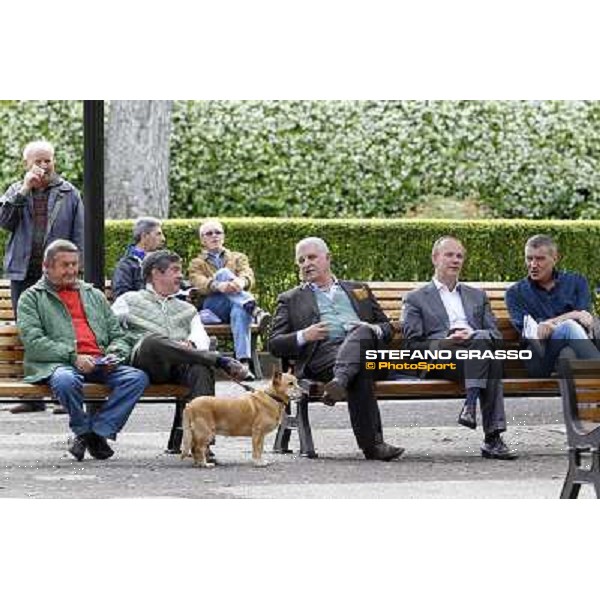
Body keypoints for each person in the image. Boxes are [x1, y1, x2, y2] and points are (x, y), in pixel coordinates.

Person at [268, 237, 404, 461]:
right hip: (323, 356)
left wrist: (371, 329)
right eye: (301, 260)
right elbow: (274, 343)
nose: (306, 264)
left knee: (361, 336)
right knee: (360, 368)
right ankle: (373, 446)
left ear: (328, 258)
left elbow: (386, 328)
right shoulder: (290, 299)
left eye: (311, 257)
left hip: (368, 352)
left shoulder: (358, 289)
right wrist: (304, 335)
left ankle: (340, 382)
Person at [16, 239, 149, 461]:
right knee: (65, 380)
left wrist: (115, 353)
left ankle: (95, 433)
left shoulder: (93, 294)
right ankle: (84, 431)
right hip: (58, 364)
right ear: (46, 267)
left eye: (74, 264)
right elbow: (34, 341)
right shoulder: (32, 297)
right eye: (65, 265)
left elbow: (117, 335)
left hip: (100, 362)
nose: (71, 270)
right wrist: (73, 356)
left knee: (136, 378)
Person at [112, 250, 250, 454]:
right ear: (155, 274)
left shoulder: (187, 308)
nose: (180, 276)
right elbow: (110, 330)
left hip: (178, 367)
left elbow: (200, 339)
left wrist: (192, 345)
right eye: (175, 270)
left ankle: (200, 443)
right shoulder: (129, 300)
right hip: (144, 365)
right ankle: (220, 361)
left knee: (200, 366)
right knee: (152, 341)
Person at [402, 236, 517, 460]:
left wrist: (473, 335)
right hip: (442, 359)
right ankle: (492, 437)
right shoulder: (416, 298)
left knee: (483, 344)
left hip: (476, 354)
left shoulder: (477, 296)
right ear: (435, 258)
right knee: (487, 356)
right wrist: (447, 341)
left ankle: (471, 405)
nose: (455, 260)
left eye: (459, 256)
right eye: (449, 255)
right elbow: (412, 346)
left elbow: (495, 336)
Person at [0, 140, 84, 414]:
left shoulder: (69, 192)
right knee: (29, 332)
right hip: (23, 272)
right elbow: (4, 222)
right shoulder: (16, 190)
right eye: (38, 161)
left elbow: (79, 233)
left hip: (58, 273)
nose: (44, 166)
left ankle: (63, 393)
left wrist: (75, 270)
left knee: (63, 329)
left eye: (48, 160)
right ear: (27, 164)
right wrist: (25, 189)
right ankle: (33, 394)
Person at [505, 234, 600, 377]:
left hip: (572, 350)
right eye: (529, 258)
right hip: (540, 357)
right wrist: (572, 315)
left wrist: (552, 323)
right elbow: (531, 330)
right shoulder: (515, 293)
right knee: (568, 326)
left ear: (555, 258)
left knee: (567, 354)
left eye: (540, 259)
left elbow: (584, 318)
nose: (533, 265)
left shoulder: (576, 282)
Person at [188, 219, 271, 379]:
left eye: (218, 232)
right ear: (202, 240)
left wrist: (241, 281)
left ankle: (243, 364)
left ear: (223, 236)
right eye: (209, 233)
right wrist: (218, 285)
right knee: (223, 274)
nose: (214, 236)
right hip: (213, 308)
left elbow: (248, 274)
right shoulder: (196, 263)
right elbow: (198, 282)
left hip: (235, 305)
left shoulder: (238, 257)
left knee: (240, 310)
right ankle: (255, 310)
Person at [111, 216, 165, 299]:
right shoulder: (126, 265)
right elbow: (122, 297)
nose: (163, 239)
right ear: (144, 236)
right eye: (158, 234)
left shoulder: (164, 261)